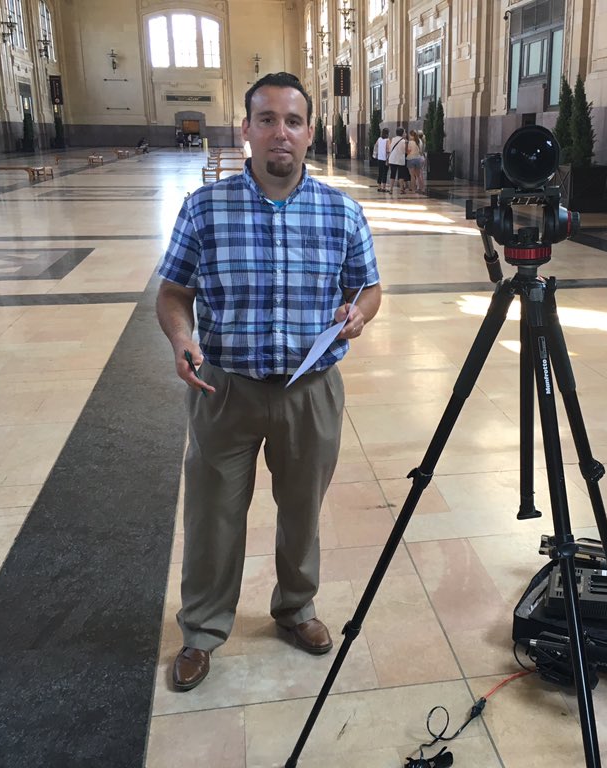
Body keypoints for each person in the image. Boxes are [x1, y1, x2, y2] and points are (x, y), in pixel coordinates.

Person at [156, 71, 382, 692]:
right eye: (267, 119)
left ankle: (295, 609)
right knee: (212, 515)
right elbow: (173, 291)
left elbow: (369, 286)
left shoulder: (342, 211)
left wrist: (359, 312)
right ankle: (202, 630)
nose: (280, 132)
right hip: (223, 389)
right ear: (246, 130)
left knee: (301, 510)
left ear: (310, 132)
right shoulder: (205, 208)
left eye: (292, 120)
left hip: (310, 391)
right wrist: (182, 339)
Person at [387, 127, 408, 194]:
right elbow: (405, 151)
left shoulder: (393, 139)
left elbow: (390, 148)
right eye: (404, 132)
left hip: (392, 159)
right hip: (400, 160)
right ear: (402, 133)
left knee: (392, 174)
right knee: (401, 175)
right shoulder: (404, 141)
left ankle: (391, 189)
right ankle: (402, 189)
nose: (405, 133)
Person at [406, 130, 425, 194]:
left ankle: (413, 189)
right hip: (418, 159)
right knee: (418, 175)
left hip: (411, 159)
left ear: (411, 135)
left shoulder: (410, 142)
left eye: (409, 135)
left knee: (412, 176)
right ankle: (422, 188)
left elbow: (408, 151)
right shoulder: (419, 141)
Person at [373, 127, 390, 192]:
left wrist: (376, 154)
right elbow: (388, 150)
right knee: (385, 173)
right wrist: (388, 159)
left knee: (380, 173)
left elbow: (376, 146)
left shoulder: (379, 139)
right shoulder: (387, 140)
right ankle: (384, 187)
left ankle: (379, 186)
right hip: (385, 159)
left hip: (379, 158)